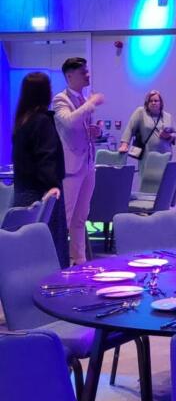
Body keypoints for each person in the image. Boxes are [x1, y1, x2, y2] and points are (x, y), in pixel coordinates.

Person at [12, 72, 69, 268]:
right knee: (50, 247)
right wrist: (53, 185)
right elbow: (46, 156)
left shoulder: (22, 121)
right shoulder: (42, 121)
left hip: (23, 192)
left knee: (28, 250)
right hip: (42, 192)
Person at [53, 57, 104, 265]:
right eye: (83, 72)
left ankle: (79, 260)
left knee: (81, 217)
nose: (87, 75)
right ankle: (59, 261)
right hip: (70, 167)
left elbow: (81, 129)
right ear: (69, 76)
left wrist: (95, 132)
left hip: (88, 164)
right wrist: (91, 103)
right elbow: (69, 122)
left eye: (87, 71)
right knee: (65, 218)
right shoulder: (60, 99)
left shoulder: (83, 99)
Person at [119, 90, 176, 160]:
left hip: (165, 156)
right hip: (147, 156)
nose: (153, 103)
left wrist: (169, 136)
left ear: (161, 103)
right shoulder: (141, 112)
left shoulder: (168, 116)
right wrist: (124, 145)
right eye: (150, 101)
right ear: (147, 103)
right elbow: (130, 128)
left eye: (156, 101)